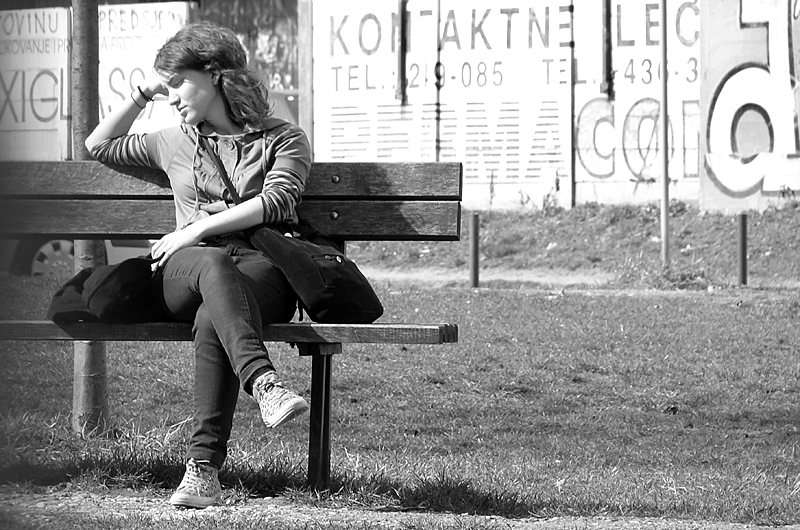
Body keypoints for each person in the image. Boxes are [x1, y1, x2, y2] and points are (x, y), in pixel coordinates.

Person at [84, 21, 311, 509]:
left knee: (216, 313)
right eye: (165, 87)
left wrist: (195, 227)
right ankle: (264, 383)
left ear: (215, 75)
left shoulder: (283, 139)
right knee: (210, 264)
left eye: (178, 83)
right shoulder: (173, 141)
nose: (171, 97)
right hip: (185, 271)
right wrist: (145, 91)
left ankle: (202, 472)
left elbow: (278, 200)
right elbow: (98, 145)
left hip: (261, 269)